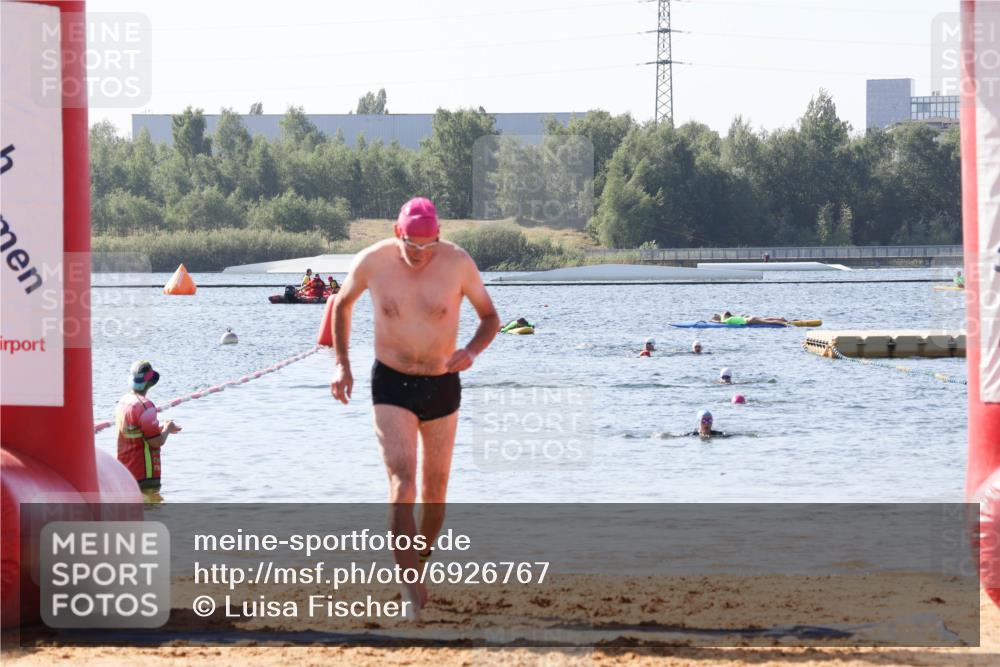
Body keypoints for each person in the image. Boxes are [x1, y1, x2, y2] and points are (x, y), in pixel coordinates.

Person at [329, 196, 499, 619]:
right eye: (412, 246)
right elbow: (342, 305)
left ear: (439, 236)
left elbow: (490, 318)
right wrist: (341, 364)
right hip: (392, 380)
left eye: (429, 246)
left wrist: (472, 352)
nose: (421, 255)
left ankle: (418, 561)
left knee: (435, 495)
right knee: (403, 484)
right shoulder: (373, 261)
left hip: (442, 381)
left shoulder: (458, 263)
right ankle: (410, 587)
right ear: (396, 233)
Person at [115, 361, 181, 494]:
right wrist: (167, 429)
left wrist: (161, 427)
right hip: (144, 474)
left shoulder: (123, 401)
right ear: (150, 383)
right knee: (152, 511)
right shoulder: (146, 406)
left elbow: (135, 431)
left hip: (125, 472)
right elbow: (157, 442)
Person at [712, 311, 788, 326]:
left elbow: (721, 322)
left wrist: (712, 321)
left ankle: (782, 323)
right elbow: (723, 314)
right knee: (766, 319)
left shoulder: (727, 320)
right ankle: (780, 318)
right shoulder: (732, 317)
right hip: (750, 318)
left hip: (749, 320)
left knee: (767, 322)